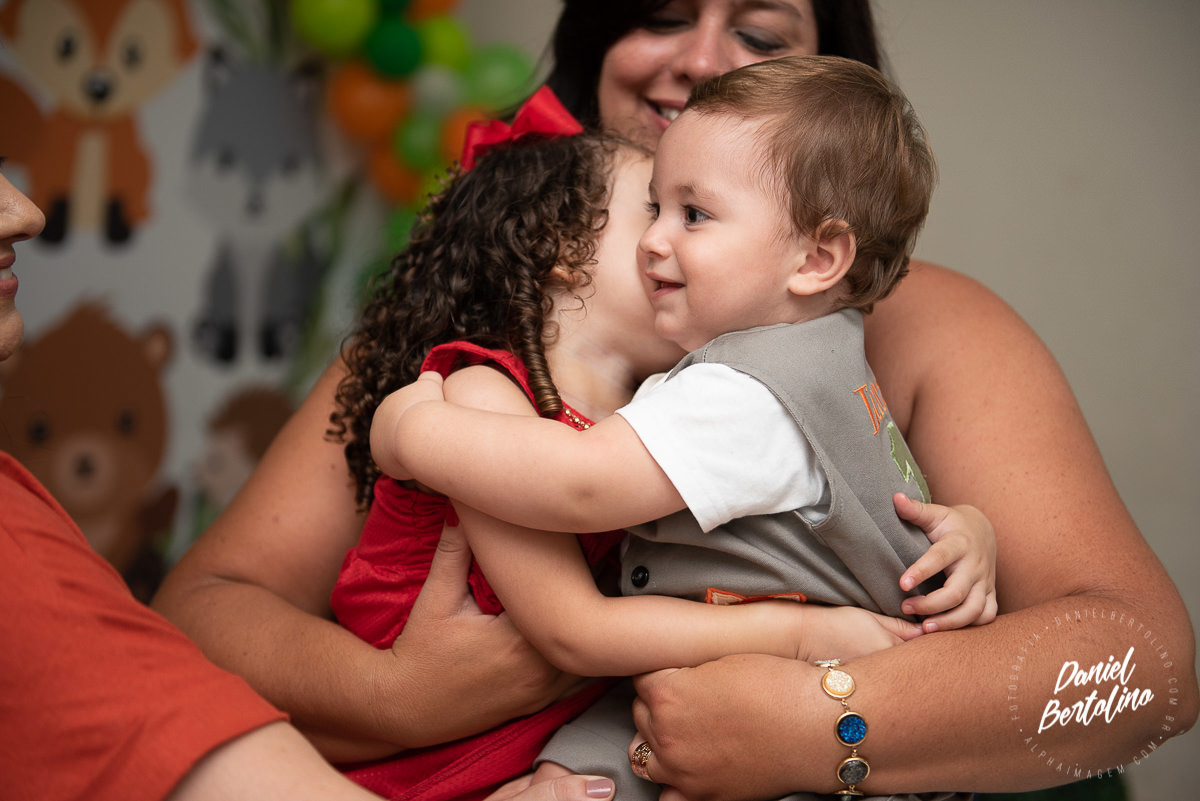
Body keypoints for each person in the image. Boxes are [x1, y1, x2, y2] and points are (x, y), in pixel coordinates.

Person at [154, 0, 1198, 797]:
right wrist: (399, 696)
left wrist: (826, 717)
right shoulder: (473, 317)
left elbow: (1146, 672)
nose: (700, 60)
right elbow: (197, 616)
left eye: (757, 30)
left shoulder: (911, 330)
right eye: (660, 15)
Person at [372, 55, 997, 801]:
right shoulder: (822, 363)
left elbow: (580, 482)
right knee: (569, 766)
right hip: (720, 689)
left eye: (692, 214)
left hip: (798, 714)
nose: (654, 240)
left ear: (817, 257)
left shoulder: (744, 391)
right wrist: (973, 531)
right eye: (655, 206)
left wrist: (412, 431)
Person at [0, 164, 619, 801]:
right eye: (655, 206)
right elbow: (175, 685)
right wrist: (400, 696)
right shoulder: (457, 364)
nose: (26, 212)